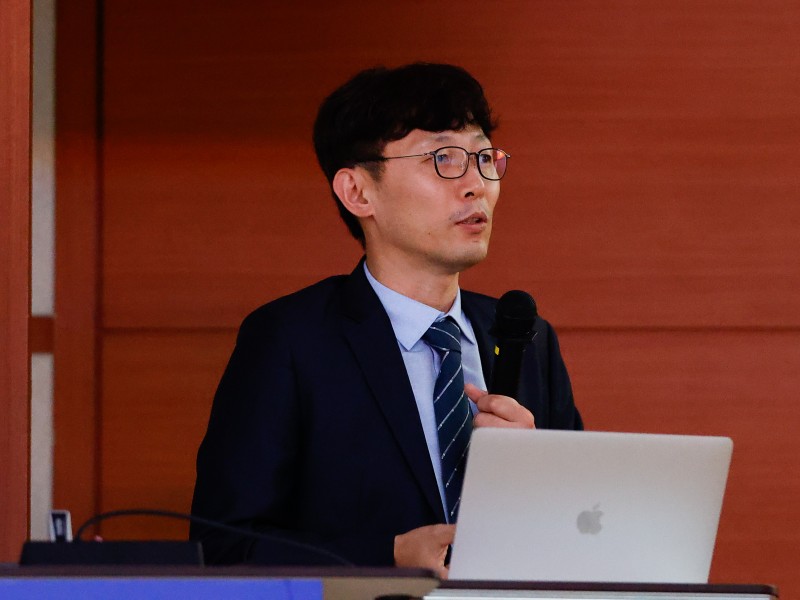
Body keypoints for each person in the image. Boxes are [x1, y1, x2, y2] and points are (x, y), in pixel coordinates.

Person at [190, 63, 582, 577]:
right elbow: (223, 548)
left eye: (485, 158)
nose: (477, 185)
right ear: (358, 192)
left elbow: (583, 530)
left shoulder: (526, 337)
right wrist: (386, 556)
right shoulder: (291, 340)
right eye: (443, 158)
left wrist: (537, 473)